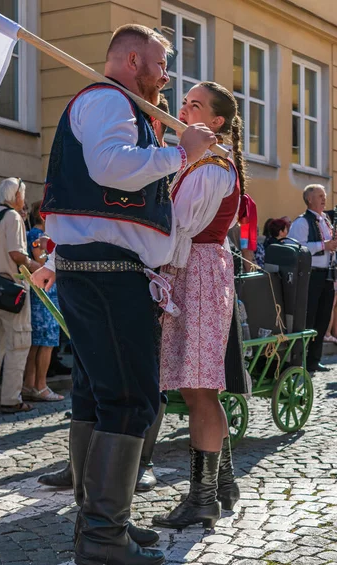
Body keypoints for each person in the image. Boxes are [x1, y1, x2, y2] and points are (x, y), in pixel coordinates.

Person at [32, 24, 215, 565]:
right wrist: (176, 154)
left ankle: (100, 518)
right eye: (161, 65)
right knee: (133, 398)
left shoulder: (116, 105)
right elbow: (108, 168)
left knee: (102, 395)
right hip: (108, 271)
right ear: (133, 61)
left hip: (99, 268)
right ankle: (101, 535)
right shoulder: (110, 99)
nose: (166, 76)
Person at [38, 92, 172, 493]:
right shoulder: (130, 133)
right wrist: (51, 264)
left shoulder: (162, 157)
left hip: (139, 274)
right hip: (111, 270)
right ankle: (97, 515)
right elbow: (101, 193)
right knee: (109, 390)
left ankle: (106, 498)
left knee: (129, 390)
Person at [151, 81, 246, 531]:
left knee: (200, 388)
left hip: (200, 273)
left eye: (196, 105)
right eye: (184, 102)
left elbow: (180, 226)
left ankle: (203, 499)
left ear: (216, 122)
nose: (185, 108)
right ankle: (222, 483)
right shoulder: (198, 161)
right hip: (193, 270)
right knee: (195, 386)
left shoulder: (210, 165)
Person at [0, 177, 41, 413]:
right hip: (12, 288)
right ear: (16, 196)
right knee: (18, 344)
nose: (23, 199)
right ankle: (11, 399)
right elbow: (16, 254)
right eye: (22, 194)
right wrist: (36, 266)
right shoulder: (13, 217)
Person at [289, 184, 337, 372]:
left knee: (323, 318)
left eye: (324, 195)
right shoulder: (301, 222)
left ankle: (314, 360)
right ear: (309, 199)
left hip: (327, 274)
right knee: (308, 318)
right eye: (319, 195)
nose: (324, 199)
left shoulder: (325, 220)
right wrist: (323, 245)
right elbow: (297, 248)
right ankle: (299, 360)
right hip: (311, 276)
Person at [22, 202, 64, 402]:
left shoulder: (34, 234)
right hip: (45, 294)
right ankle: (40, 386)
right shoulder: (37, 236)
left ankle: (30, 385)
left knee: (37, 344)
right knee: (45, 343)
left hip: (44, 293)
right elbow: (41, 262)